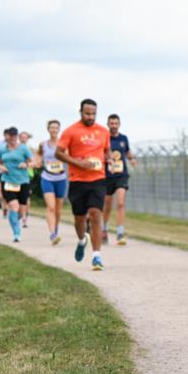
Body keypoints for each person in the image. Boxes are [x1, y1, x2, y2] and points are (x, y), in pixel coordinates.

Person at [56, 99, 111, 271]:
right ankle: (81, 240)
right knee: (79, 219)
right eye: (87, 113)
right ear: (80, 112)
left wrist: (107, 158)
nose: (90, 116)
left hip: (98, 179)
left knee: (95, 214)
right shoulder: (70, 131)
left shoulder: (103, 131)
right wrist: (78, 163)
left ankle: (96, 256)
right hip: (77, 180)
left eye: (93, 113)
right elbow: (58, 153)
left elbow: (107, 150)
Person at [0, 127, 34, 242]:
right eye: (10, 136)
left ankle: (15, 221)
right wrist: (2, 167)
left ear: (17, 137)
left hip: (23, 181)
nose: (12, 139)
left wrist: (25, 164)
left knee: (21, 210)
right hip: (8, 181)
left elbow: (33, 161)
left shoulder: (23, 149)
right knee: (13, 206)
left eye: (14, 136)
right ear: (7, 137)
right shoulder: (2, 149)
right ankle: (17, 233)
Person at [103, 113, 137, 246]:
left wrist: (132, 159)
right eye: (111, 123)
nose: (114, 126)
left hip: (121, 175)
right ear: (108, 124)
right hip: (107, 176)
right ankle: (104, 229)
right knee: (107, 206)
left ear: (119, 124)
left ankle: (120, 233)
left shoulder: (124, 139)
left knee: (121, 203)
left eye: (116, 123)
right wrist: (107, 159)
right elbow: (101, 153)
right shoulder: (105, 138)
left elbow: (127, 152)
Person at [35, 120, 67, 244]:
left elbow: (69, 156)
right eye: (51, 127)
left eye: (56, 128)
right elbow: (38, 155)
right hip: (47, 178)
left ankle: (56, 229)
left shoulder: (64, 144)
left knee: (58, 209)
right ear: (48, 129)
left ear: (59, 129)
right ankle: (52, 234)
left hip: (61, 179)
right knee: (51, 207)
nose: (53, 130)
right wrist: (37, 161)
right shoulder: (43, 144)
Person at [18, 131, 34, 228]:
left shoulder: (31, 149)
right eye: (22, 137)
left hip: (28, 176)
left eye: (25, 137)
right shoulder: (15, 149)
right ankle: (20, 214)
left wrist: (27, 164)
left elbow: (35, 162)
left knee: (27, 198)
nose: (23, 139)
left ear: (28, 138)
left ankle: (25, 218)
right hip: (16, 177)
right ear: (19, 138)